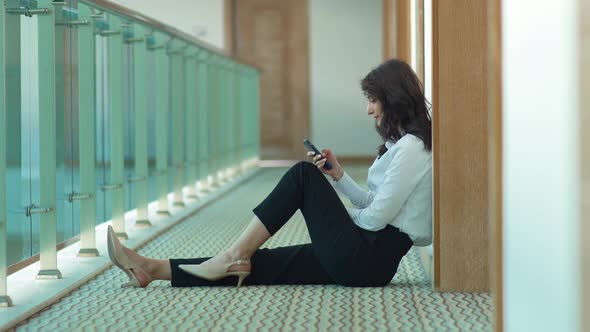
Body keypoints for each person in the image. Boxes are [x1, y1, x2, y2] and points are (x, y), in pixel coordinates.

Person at [106, 59, 433, 288]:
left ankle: (235, 252)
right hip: (365, 255)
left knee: (303, 176)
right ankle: (153, 269)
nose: (369, 108)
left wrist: (331, 213)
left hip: (368, 259)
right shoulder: (402, 146)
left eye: (373, 99)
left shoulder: (412, 149)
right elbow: (375, 203)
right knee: (267, 264)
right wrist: (339, 176)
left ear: (393, 97)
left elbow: (376, 219)